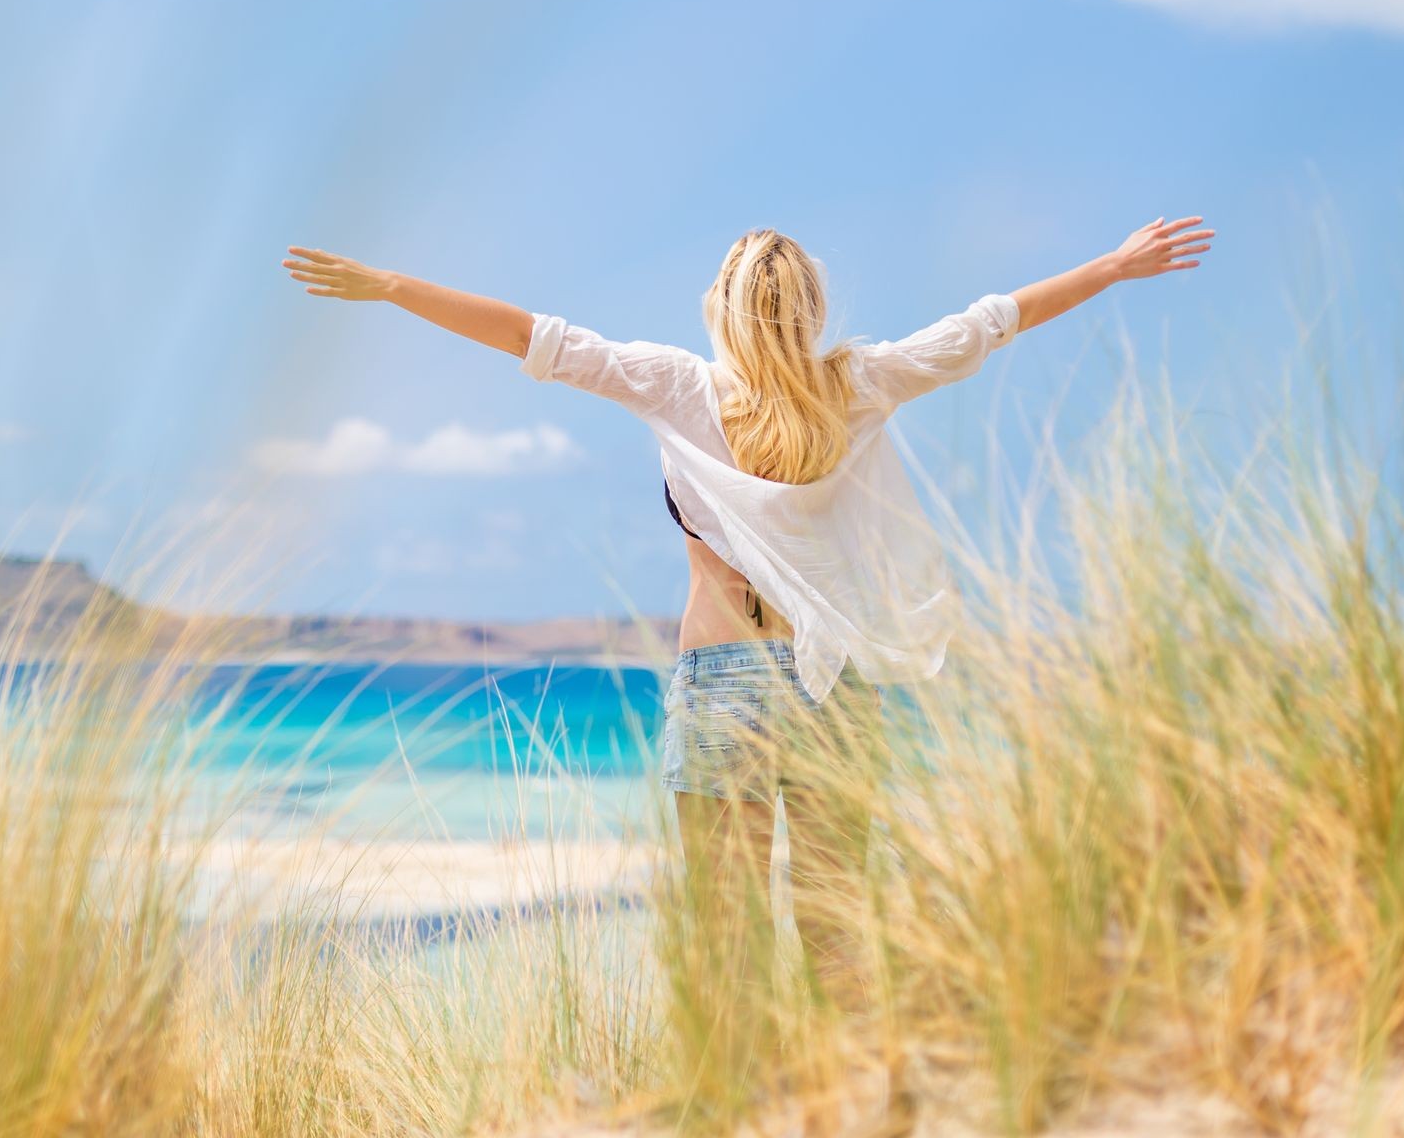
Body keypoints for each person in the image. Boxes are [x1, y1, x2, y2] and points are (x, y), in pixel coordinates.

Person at [278, 215, 1212, 1039]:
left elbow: (532, 337)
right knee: (837, 923)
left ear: (719, 308)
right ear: (811, 306)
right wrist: (1109, 267)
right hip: (833, 688)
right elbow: (990, 323)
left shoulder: (678, 387)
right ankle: (841, 1100)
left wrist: (393, 287)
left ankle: (740, 1103)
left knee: (723, 932)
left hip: (724, 681)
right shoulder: (861, 382)